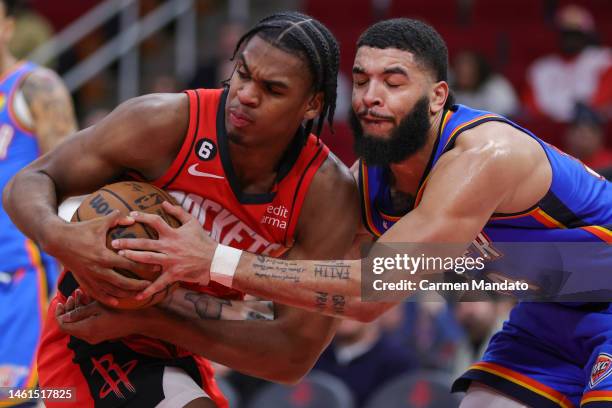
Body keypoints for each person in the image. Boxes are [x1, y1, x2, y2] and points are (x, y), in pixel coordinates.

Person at [110, 18, 611, 407]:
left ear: (438, 97)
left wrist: (214, 259)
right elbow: (334, 298)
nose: (371, 96)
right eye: (363, 79)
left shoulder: (484, 156)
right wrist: (161, 301)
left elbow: (377, 286)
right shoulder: (366, 179)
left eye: (394, 82)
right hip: (544, 315)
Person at [4, 11, 359, 408]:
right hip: (92, 332)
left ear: (312, 104)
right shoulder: (166, 122)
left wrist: (149, 317)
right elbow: (31, 180)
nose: (245, 94)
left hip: (179, 346)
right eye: (242, 73)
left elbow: (292, 357)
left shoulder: (326, 195)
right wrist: (62, 238)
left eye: (272, 89)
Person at [0, 0, 76, 405]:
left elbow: (75, 187)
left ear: (8, 27)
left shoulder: (35, 87)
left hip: (25, 281)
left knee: (22, 398)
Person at [522, 4, 612, 122]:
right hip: (551, 132)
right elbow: (531, 107)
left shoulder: (604, 60)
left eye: (576, 34)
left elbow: (603, 99)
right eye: (566, 34)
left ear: (587, 35)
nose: (571, 39)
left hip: (590, 126)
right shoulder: (541, 68)